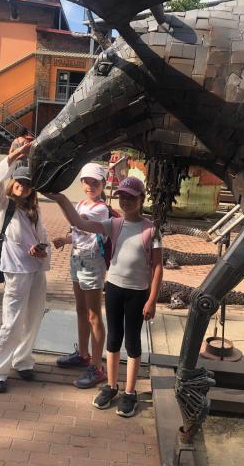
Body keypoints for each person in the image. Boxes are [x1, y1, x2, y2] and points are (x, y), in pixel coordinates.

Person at [46, 176, 163, 417]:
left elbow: (158, 266)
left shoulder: (151, 229)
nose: (126, 201)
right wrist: (61, 199)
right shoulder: (114, 224)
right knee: (113, 339)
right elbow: (79, 222)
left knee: (132, 341)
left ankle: (130, 392)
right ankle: (111, 385)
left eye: (131, 197)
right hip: (114, 288)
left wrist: (152, 299)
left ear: (142, 199)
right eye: (122, 197)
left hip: (137, 293)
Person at [0, 140, 50, 393]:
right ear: (13, 182)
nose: (23, 186)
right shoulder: (4, 205)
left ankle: (23, 360)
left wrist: (42, 249)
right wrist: (15, 155)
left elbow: (43, 238)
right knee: (12, 322)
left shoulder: (34, 210)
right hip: (16, 271)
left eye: (28, 183)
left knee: (33, 318)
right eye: (19, 181)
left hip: (36, 270)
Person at [52, 163, 109, 389]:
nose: (90, 186)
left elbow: (78, 221)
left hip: (92, 262)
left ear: (103, 184)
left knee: (94, 314)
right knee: (80, 309)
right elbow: (78, 232)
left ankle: (97, 367)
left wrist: (59, 198)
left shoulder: (101, 209)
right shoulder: (81, 204)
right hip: (77, 258)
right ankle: (83, 355)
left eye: (96, 183)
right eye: (87, 182)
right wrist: (64, 240)